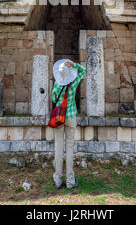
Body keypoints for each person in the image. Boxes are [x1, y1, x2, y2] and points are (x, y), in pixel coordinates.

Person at [51, 59, 86, 189]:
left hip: (59, 118)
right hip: (71, 116)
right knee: (70, 148)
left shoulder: (57, 84)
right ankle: (70, 181)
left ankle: (57, 180)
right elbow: (83, 70)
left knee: (58, 147)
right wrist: (74, 64)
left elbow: (54, 98)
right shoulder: (74, 82)